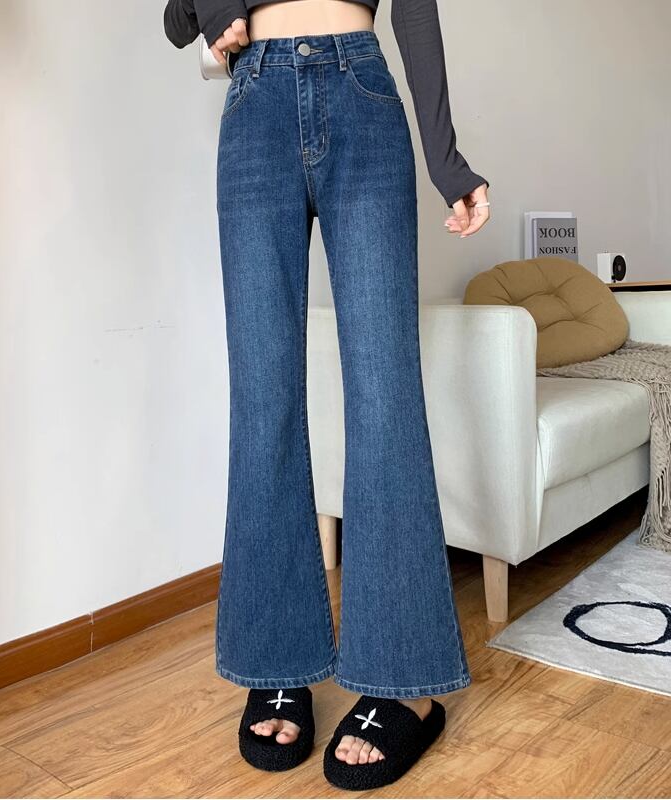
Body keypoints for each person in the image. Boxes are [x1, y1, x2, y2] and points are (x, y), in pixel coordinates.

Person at [163, 0, 490, 789]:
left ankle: (400, 679)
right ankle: (278, 661)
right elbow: (177, 19)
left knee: (385, 396)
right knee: (263, 402)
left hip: (362, 91)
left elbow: (415, 9)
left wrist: (447, 161)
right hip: (254, 107)